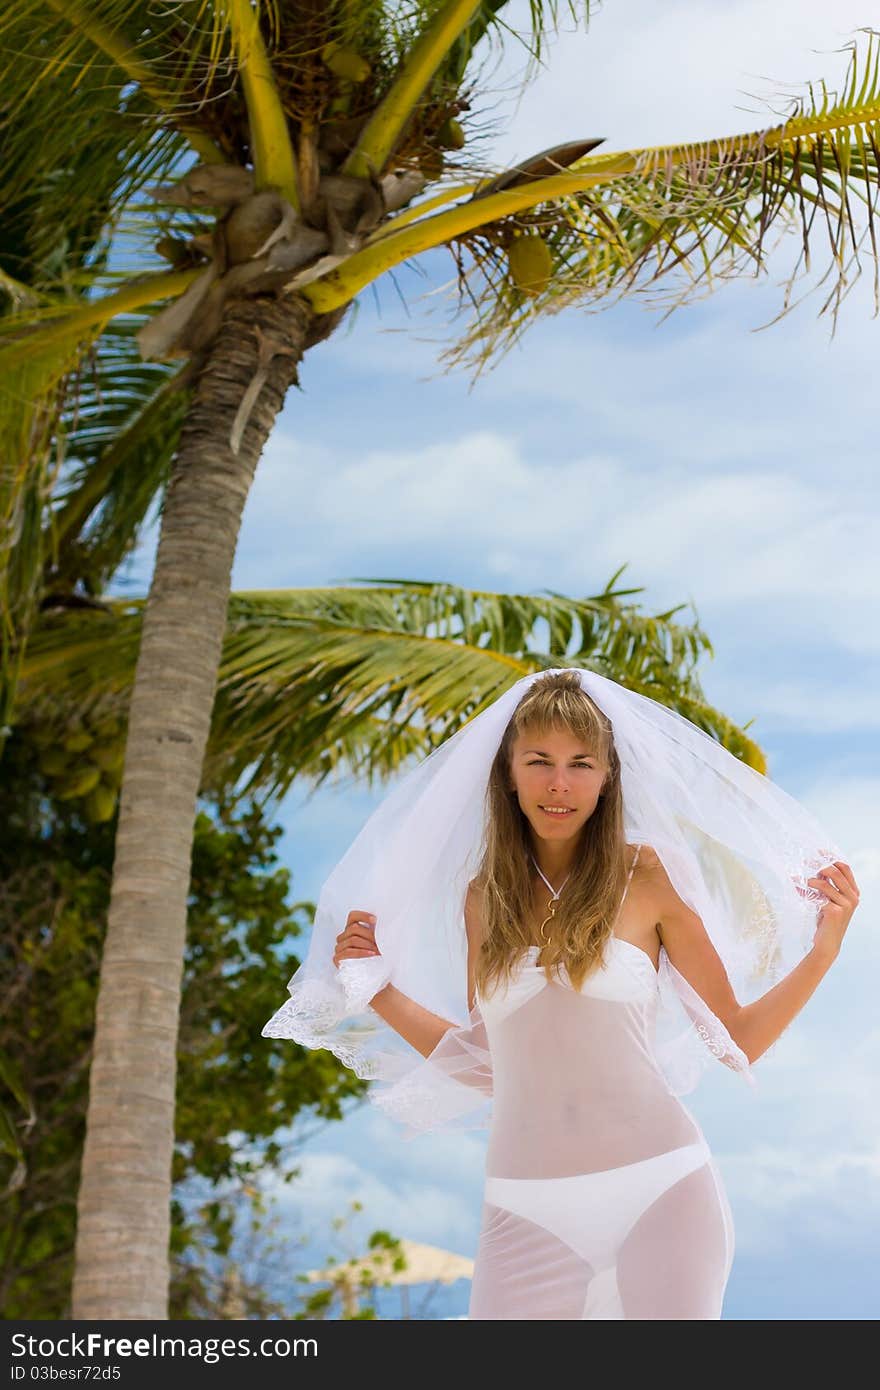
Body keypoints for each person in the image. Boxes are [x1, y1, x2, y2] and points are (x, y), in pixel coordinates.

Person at [263, 668, 860, 1320]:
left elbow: (738, 1038)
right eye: (539, 761)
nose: (559, 784)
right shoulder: (483, 899)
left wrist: (822, 951)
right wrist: (378, 991)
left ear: (607, 778)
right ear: (508, 774)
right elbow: (488, 1062)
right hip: (525, 1208)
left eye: (581, 764)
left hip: (660, 1191)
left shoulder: (648, 876)